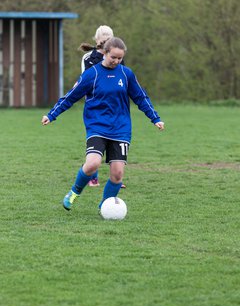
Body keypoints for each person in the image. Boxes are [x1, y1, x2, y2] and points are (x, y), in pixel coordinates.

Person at [41, 37, 164, 212]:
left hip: (121, 129)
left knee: (117, 174)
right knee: (92, 164)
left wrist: (155, 118)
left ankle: (104, 207)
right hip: (97, 126)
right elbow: (71, 96)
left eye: (120, 58)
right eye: (113, 57)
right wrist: (52, 115)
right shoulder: (92, 74)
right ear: (105, 53)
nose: (116, 61)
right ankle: (74, 192)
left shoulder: (126, 74)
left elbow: (141, 97)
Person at [78, 25, 126, 188]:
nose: (106, 39)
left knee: (115, 139)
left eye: (109, 37)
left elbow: (122, 75)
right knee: (97, 140)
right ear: (97, 40)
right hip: (96, 106)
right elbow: (86, 79)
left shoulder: (117, 55)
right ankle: (92, 176)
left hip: (114, 107)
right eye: (103, 37)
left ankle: (116, 177)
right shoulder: (88, 58)